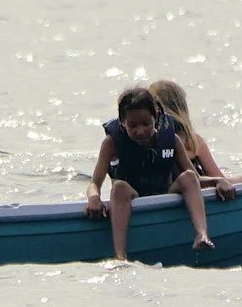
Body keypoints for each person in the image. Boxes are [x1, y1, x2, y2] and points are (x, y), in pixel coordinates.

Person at [84, 85, 213, 260]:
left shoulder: (172, 139)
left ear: (156, 118)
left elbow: (196, 180)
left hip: (164, 191)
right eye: (133, 125)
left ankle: (201, 234)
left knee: (188, 177)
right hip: (133, 195)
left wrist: (218, 182)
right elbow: (94, 183)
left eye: (146, 124)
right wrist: (94, 199)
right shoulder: (111, 143)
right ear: (122, 123)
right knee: (119, 186)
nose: (140, 131)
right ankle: (120, 255)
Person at [148, 77, 242, 197]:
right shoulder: (191, 140)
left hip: (161, 192)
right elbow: (218, 177)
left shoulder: (148, 140)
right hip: (189, 190)